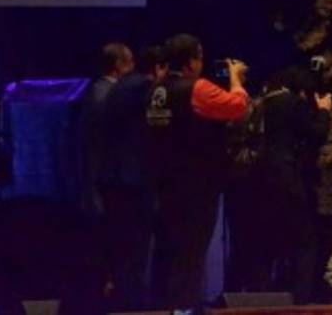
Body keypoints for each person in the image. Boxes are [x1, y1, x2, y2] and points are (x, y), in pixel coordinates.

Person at [146, 33, 249, 310]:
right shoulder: (196, 89)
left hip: (163, 181)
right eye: (200, 57)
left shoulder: (157, 90)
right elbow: (237, 107)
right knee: (191, 251)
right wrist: (236, 78)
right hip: (196, 183)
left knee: (169, 250)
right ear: (191, 62)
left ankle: (165, 306)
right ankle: (184, 308)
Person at [226, 65, 332, 302]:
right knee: (305, 240)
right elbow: (316, 133)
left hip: (255, 179)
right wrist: (324, 110)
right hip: (284, 176)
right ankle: (301, 299)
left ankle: (260, 299)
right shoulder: (291, 103)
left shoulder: (259, 102)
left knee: (264, 241)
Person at [98, 44, 166, 311]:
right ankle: (135, 303)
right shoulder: (144, 89)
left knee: (119, 245)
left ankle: (123, 298)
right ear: (157, 68)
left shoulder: (118, 87)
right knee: (136, 245)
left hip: (113, 176)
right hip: (135, 178)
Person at [80, 42, 134, 218]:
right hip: (108, 175)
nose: (133, 67)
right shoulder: (109, 93)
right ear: (119, 64)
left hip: (101, 173)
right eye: (130, 62)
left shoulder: (93, 90)